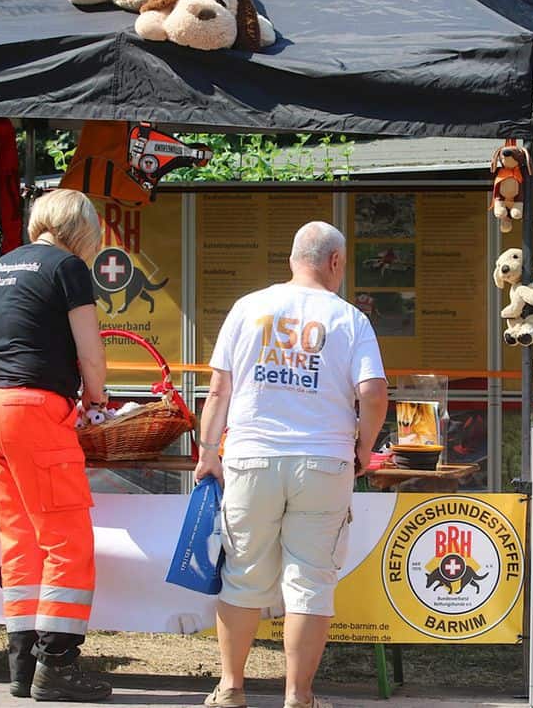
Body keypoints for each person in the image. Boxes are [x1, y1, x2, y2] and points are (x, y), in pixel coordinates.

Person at [195, 220, 388, 708]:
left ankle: (231, 688)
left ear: (292, 259)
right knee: (310, 582)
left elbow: (219, 389)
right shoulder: (350, 319)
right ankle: (298, 696)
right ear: (335, 262)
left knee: (242, 574)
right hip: (323, 463)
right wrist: (364, 448)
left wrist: (208, 453)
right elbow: (373, 393)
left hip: (251, 458)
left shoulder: (249, 307)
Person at [0, 189, 113, 702]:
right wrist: (97, 397)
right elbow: (90, 351)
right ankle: (57, 665)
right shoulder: (68, 267)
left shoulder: (2, 266)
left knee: (20, 540)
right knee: (67, 538)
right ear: (81, 229)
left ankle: (21, 666)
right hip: (35, 411)